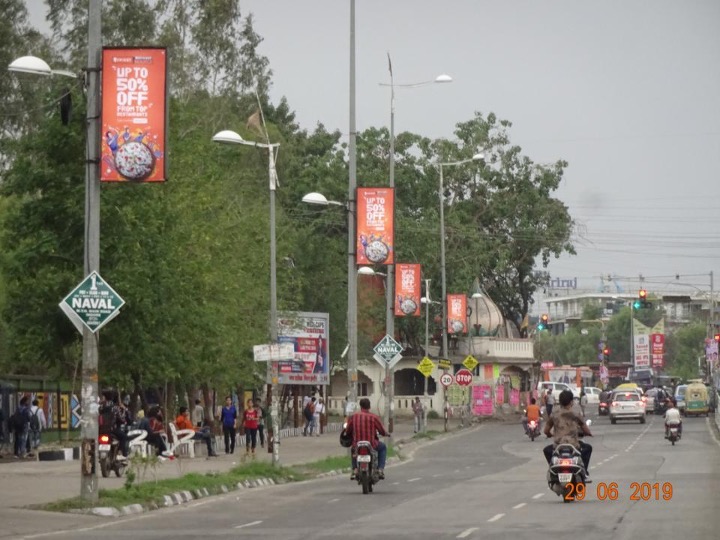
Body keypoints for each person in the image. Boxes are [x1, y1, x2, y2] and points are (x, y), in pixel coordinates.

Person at [543, 390, 593, 482]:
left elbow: (546, 431)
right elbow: (586, 429)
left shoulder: (554, 414)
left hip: (558, 446)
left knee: (546, 450)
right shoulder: (576, 414)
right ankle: (584, 471)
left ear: (560, 401)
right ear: (571, 402)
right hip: (574, 445)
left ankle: (553, 470)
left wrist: (550, 435)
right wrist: (588, 433)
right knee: (588, 448)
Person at [344, 397, 389, 480]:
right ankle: (380, 469)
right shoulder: (374, 417)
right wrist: (386, 433)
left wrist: (348, 433)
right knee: (382, 447)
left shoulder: (354, 417)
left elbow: (348, 430)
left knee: (353, 449)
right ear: (369, 407)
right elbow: (381, 430)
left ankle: (355, 469)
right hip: (371, 444)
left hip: (357, 444)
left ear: (360, 406)